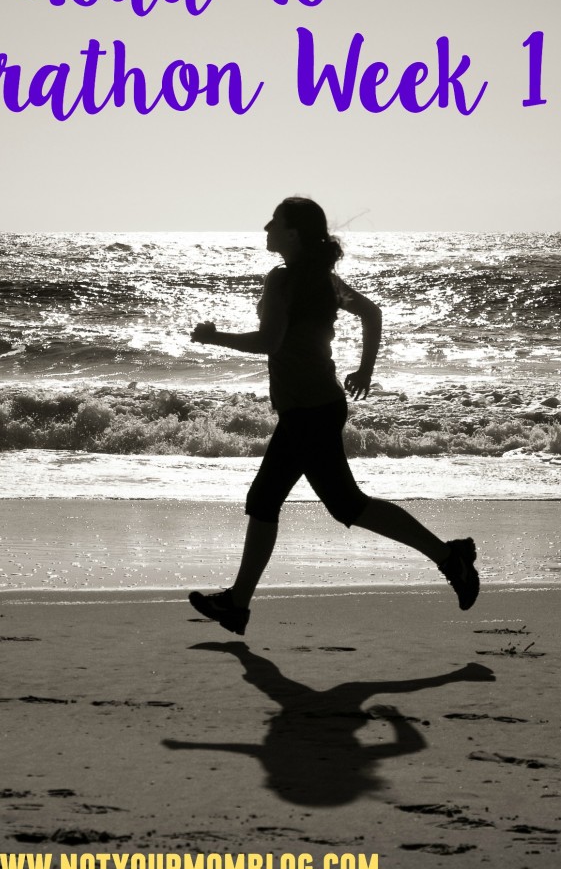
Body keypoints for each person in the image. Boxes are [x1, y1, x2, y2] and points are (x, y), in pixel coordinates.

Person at [188, 197, 479, 635]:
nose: (266, 227)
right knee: (337, 504)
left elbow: (269, 342)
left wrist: (215, 338)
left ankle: (237, 604)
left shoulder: (284, 281)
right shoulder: (324, 280)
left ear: (293, 234)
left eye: (275, 222)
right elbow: (371, 313)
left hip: (308, 413)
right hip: (319, 407)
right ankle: (447, 556)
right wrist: (365, 369)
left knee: (280, 500)